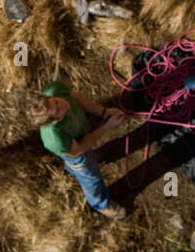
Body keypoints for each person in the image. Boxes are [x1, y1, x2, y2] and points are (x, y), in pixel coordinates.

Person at [27, 80, 129, 219]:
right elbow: (80, 149)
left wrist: (104, 112)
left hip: (80, 131)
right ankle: (101, 204)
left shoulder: (54, 89)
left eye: (56, 101)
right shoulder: (55, 139)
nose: (62, 104)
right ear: (53, 121)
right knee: (90, 178)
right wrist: (107, 127)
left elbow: (76, 96)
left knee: (87, 149)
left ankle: (77, 166)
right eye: (58, 110)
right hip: (77, 154)